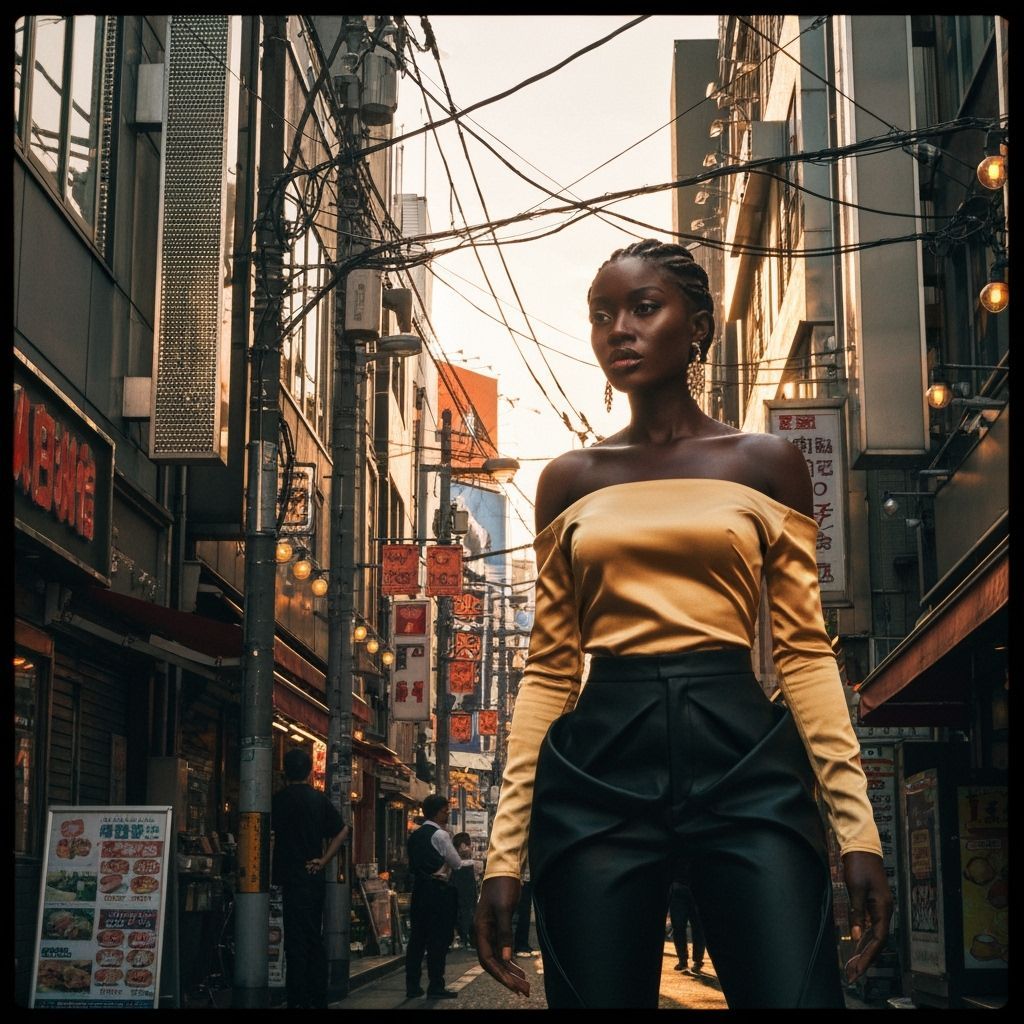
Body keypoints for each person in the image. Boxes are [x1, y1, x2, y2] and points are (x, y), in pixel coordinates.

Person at [474, 239, 892, 1009]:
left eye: (643, 308)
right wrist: (504, 856)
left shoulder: (765, 462)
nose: (618, 331)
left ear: (696, 327)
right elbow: (548, 670)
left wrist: (857, 831)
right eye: (603, 316)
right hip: (600, 762)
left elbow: (803, 652)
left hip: (744, 756)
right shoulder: (569, 478)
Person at [271, 746, 351, 1009]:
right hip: (313, 875)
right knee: (313, 938)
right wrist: (324, 860)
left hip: (289, 876)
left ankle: (297, 998)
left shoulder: (278, 800)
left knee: (295, 940)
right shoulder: (318, 800)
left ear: (285, 771)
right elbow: (342, 831)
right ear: (308, 772)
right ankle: (318, 997)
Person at [405, 794, 475, 1000]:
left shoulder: (415, 836)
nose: (447, 814)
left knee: (417, 939)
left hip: (420, 890)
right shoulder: (441, 835)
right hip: (439, 891)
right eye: (445, 810)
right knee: (438, 939)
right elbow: (456, 863)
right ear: (436, 812)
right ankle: (436, 984)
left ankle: (412, 985)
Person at [668, 872, 705, 975]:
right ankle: (686, 960)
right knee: (680, 927)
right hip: (680, 889)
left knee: (696, 928)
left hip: (688, 888)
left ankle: (694, 961)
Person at [451, 832, 478, 949]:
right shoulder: (468, 862)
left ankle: (463, 937)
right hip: (466, 886)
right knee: (468, 909)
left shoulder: (455, 860)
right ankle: (468, 938)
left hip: (459, 886)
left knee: (461, 909)